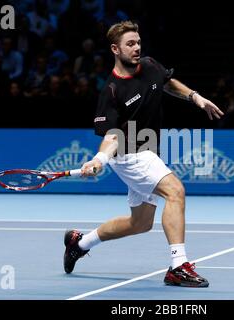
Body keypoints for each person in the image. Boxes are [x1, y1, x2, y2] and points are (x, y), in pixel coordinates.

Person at [63, 21, 223, 287]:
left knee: (140, 223)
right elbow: (112, 136)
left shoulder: (149, 65)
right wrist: (99, 159)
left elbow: (167, 83)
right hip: (129, 154)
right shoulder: (112, 91)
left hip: (148, 151)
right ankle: (178, 267)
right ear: (115, 49)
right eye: (130, 44)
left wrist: (195, 97)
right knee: (175, 191)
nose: (137, 48)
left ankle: (79, 243)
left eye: (138, 42)